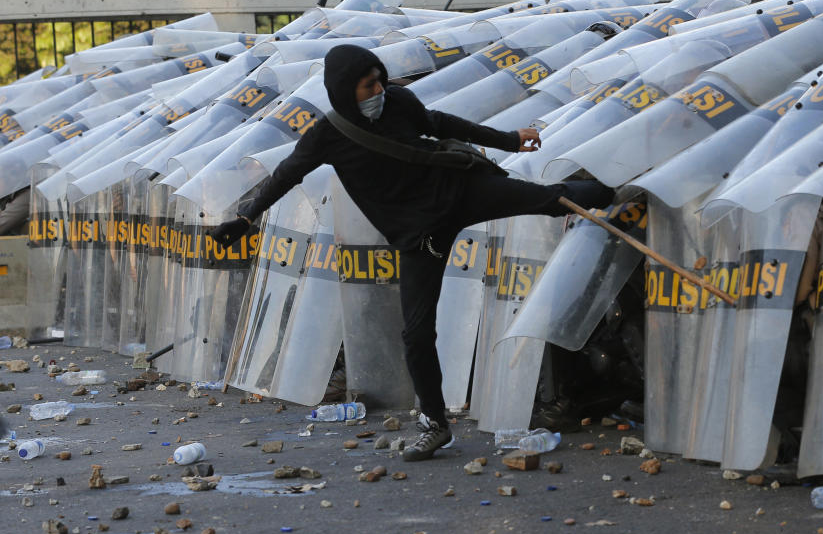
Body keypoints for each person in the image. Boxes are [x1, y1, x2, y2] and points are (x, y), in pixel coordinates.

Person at [211, 45, 613, 461]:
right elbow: (285, 175)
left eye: (380, 80)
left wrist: (509, 140)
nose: (380, 90)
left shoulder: (399, 102)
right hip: (421, 236)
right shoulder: (327, 136)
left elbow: (439, 124)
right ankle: (435, 424)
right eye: (369, 85)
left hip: (461, 192)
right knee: (417, 334)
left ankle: (617, 196)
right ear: (345, 90)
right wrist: (245, 219)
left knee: (549, 200)